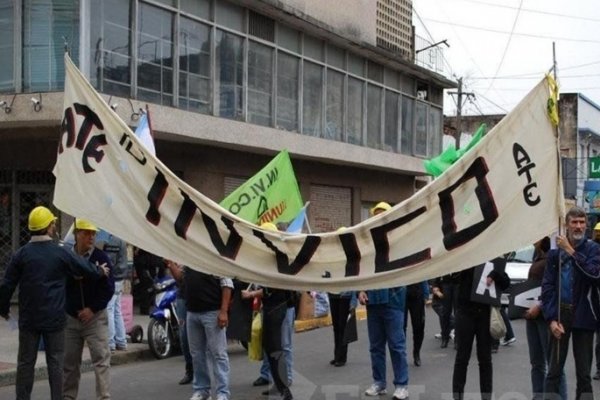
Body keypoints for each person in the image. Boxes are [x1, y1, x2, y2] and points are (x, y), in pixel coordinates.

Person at [0, 206, 108, 400]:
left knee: (25, 364)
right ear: (49, 227)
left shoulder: (21, 254)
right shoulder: (60, 253)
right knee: (56, 364)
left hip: (29, 320)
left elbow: (7, 285)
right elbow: (84, 268)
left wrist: (3, 308)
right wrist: (100, 271)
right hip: (55, 320)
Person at [542, 206, 600, 400]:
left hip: (584, 315)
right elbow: (548, 288)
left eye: (581, 222)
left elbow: (594, 274)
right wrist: (551, 318)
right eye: (574, 222)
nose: (578, 226)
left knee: (584, 374)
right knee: (554, 372)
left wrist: (571, 251)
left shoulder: (593, 249)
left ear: (586, 225)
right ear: (566, 225)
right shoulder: (554, 253)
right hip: (561, 314)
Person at [358, 201, 409, 400]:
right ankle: (379, 382)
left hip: (394, 300)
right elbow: (361, 271)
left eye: (382, 215)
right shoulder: (369, 246)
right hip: (373, 302)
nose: (378, 218)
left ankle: (402, 385)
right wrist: (360, 290)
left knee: (397, 345)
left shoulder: (399, 242)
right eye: (376, 215)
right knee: (376, 346)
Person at [63, 219, 115, 400]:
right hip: (71, 317)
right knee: (70, 362)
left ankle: (103, 397)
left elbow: (109, 288)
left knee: (101, 360)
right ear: (77, 234)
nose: (91, 237)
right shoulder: (67, 256)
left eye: (93, 233)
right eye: (86, 233)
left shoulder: (102, 258)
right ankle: (68, 396)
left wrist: (92, 309)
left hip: (95, 317)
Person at [242, 222, 293, 400]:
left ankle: (284, 390)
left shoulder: (278, 259)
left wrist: (251, 294)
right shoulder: (270, 258)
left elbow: (272, 289)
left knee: (276, 349)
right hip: (272, 307)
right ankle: (279, 386)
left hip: (277, 307)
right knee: (271, 349)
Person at [452, 261, 510, 400]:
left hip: (485, 313)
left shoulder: (493, 258)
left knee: (485, 359)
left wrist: (495, 274)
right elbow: (453, 277)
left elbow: (505, 282)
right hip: (465, 311)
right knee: (462, 357)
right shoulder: (467, 256)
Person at [525, 237, 567, 400]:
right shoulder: (537, 257)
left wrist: (540, 306)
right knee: (536, 363)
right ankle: (538, 397)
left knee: (554, 365)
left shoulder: (553, 257)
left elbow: (556, 287)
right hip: (532, 318)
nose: (532, 239)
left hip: (547, 318)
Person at [184, 265, 233, 400]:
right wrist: (170, 265)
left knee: (218, 353)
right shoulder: (188, 258)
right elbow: (182, 279)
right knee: (197, 354)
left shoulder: (212, 255)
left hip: (212, 311)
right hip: (192, 312)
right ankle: (202, 390)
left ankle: (223, 392)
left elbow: (227, 284)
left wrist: (223, 311)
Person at [165, 260, 194, 385]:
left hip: (203, 298)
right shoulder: (180, 254)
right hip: (183, 297)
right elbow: (180, 278)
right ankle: (190, 370)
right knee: (184, 335)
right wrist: (170, 263)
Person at [101, 232, 129, 353]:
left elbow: (109, 262)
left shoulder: (110, 240)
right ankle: (121, 341)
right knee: (117, 310)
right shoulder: (121, 238)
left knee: (110, 309)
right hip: (121, 277)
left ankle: (111, 343)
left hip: (114, 277)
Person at [327, 290, 356, 367]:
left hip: (345, 295)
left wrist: (353, 301)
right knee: (336, 327)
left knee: (342, 327)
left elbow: (353, 280)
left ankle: (342, 357)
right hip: (333, 294)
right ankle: (337, 355)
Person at [403, 281, 429, 366]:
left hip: (417, 293)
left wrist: (426, 294)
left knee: (419, 326)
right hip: (401, 293)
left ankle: (416, 353)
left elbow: (423, 274)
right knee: (401, 327)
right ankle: (401, 355)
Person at [133, 247, 165, 314]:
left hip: (147, 264)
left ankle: (145, 308)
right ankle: (145, 308)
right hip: (148, 265)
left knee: (147, 288)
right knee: (148, 288)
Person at [431, 274, 457, 348]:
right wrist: (435, 285)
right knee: (445, 313)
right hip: (446, 282)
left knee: (458, 313)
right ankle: (444, 338)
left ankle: (457, 340)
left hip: (458, 282)